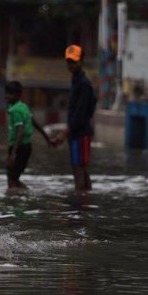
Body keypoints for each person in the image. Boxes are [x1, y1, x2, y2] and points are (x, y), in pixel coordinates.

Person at [55, 44, 97, 191]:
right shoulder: (76, 82)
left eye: (74, 61)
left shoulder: (84, 84)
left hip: (81, 133)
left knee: (80, 168)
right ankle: (84, 200)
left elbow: (81, 113)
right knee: (78, 167)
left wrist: (64, 133)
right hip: (75, 134)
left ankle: (81, 203)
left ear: (81, 61)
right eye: (69, 62)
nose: (71, 65)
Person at [4, 80, 55, 189]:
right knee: (15, 177)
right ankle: (24, 193)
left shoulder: (15, 110)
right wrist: (47, 138)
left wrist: (13, 153)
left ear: (18, 95)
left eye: (10, 94)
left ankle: (14, 200)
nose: (7, 96)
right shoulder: (23, 106)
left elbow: (20, 130)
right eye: (6, 93)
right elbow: (34, 122)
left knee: (11, 179)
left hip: (18, 146)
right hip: (26, 147)